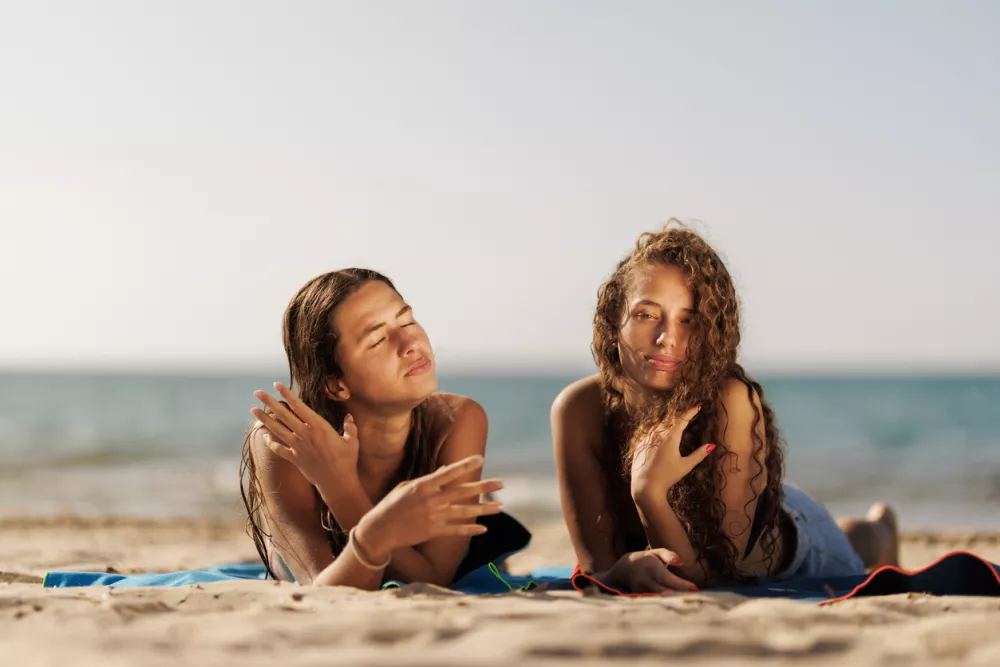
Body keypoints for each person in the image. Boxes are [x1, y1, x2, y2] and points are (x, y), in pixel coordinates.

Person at [551, 223, 898, 593]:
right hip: (744, 495)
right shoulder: (578, 409)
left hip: (789, 537)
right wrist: (621, 570)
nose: (666, 338)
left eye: (688, 320)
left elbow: (717, 577)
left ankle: (883, 528)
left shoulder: (731, 401)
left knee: (856, 544)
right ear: (612, 320)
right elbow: (597, 569)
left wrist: (648, 492)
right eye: (646, 315)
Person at [240, 268, 504, 589]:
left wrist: (341, 488)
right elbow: (321, 587)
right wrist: (345, 496)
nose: (411, 343)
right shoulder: (286, 440)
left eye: (407, 321)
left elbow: (433, 579)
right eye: (378, 339)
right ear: (336, 385)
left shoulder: (456, 419)